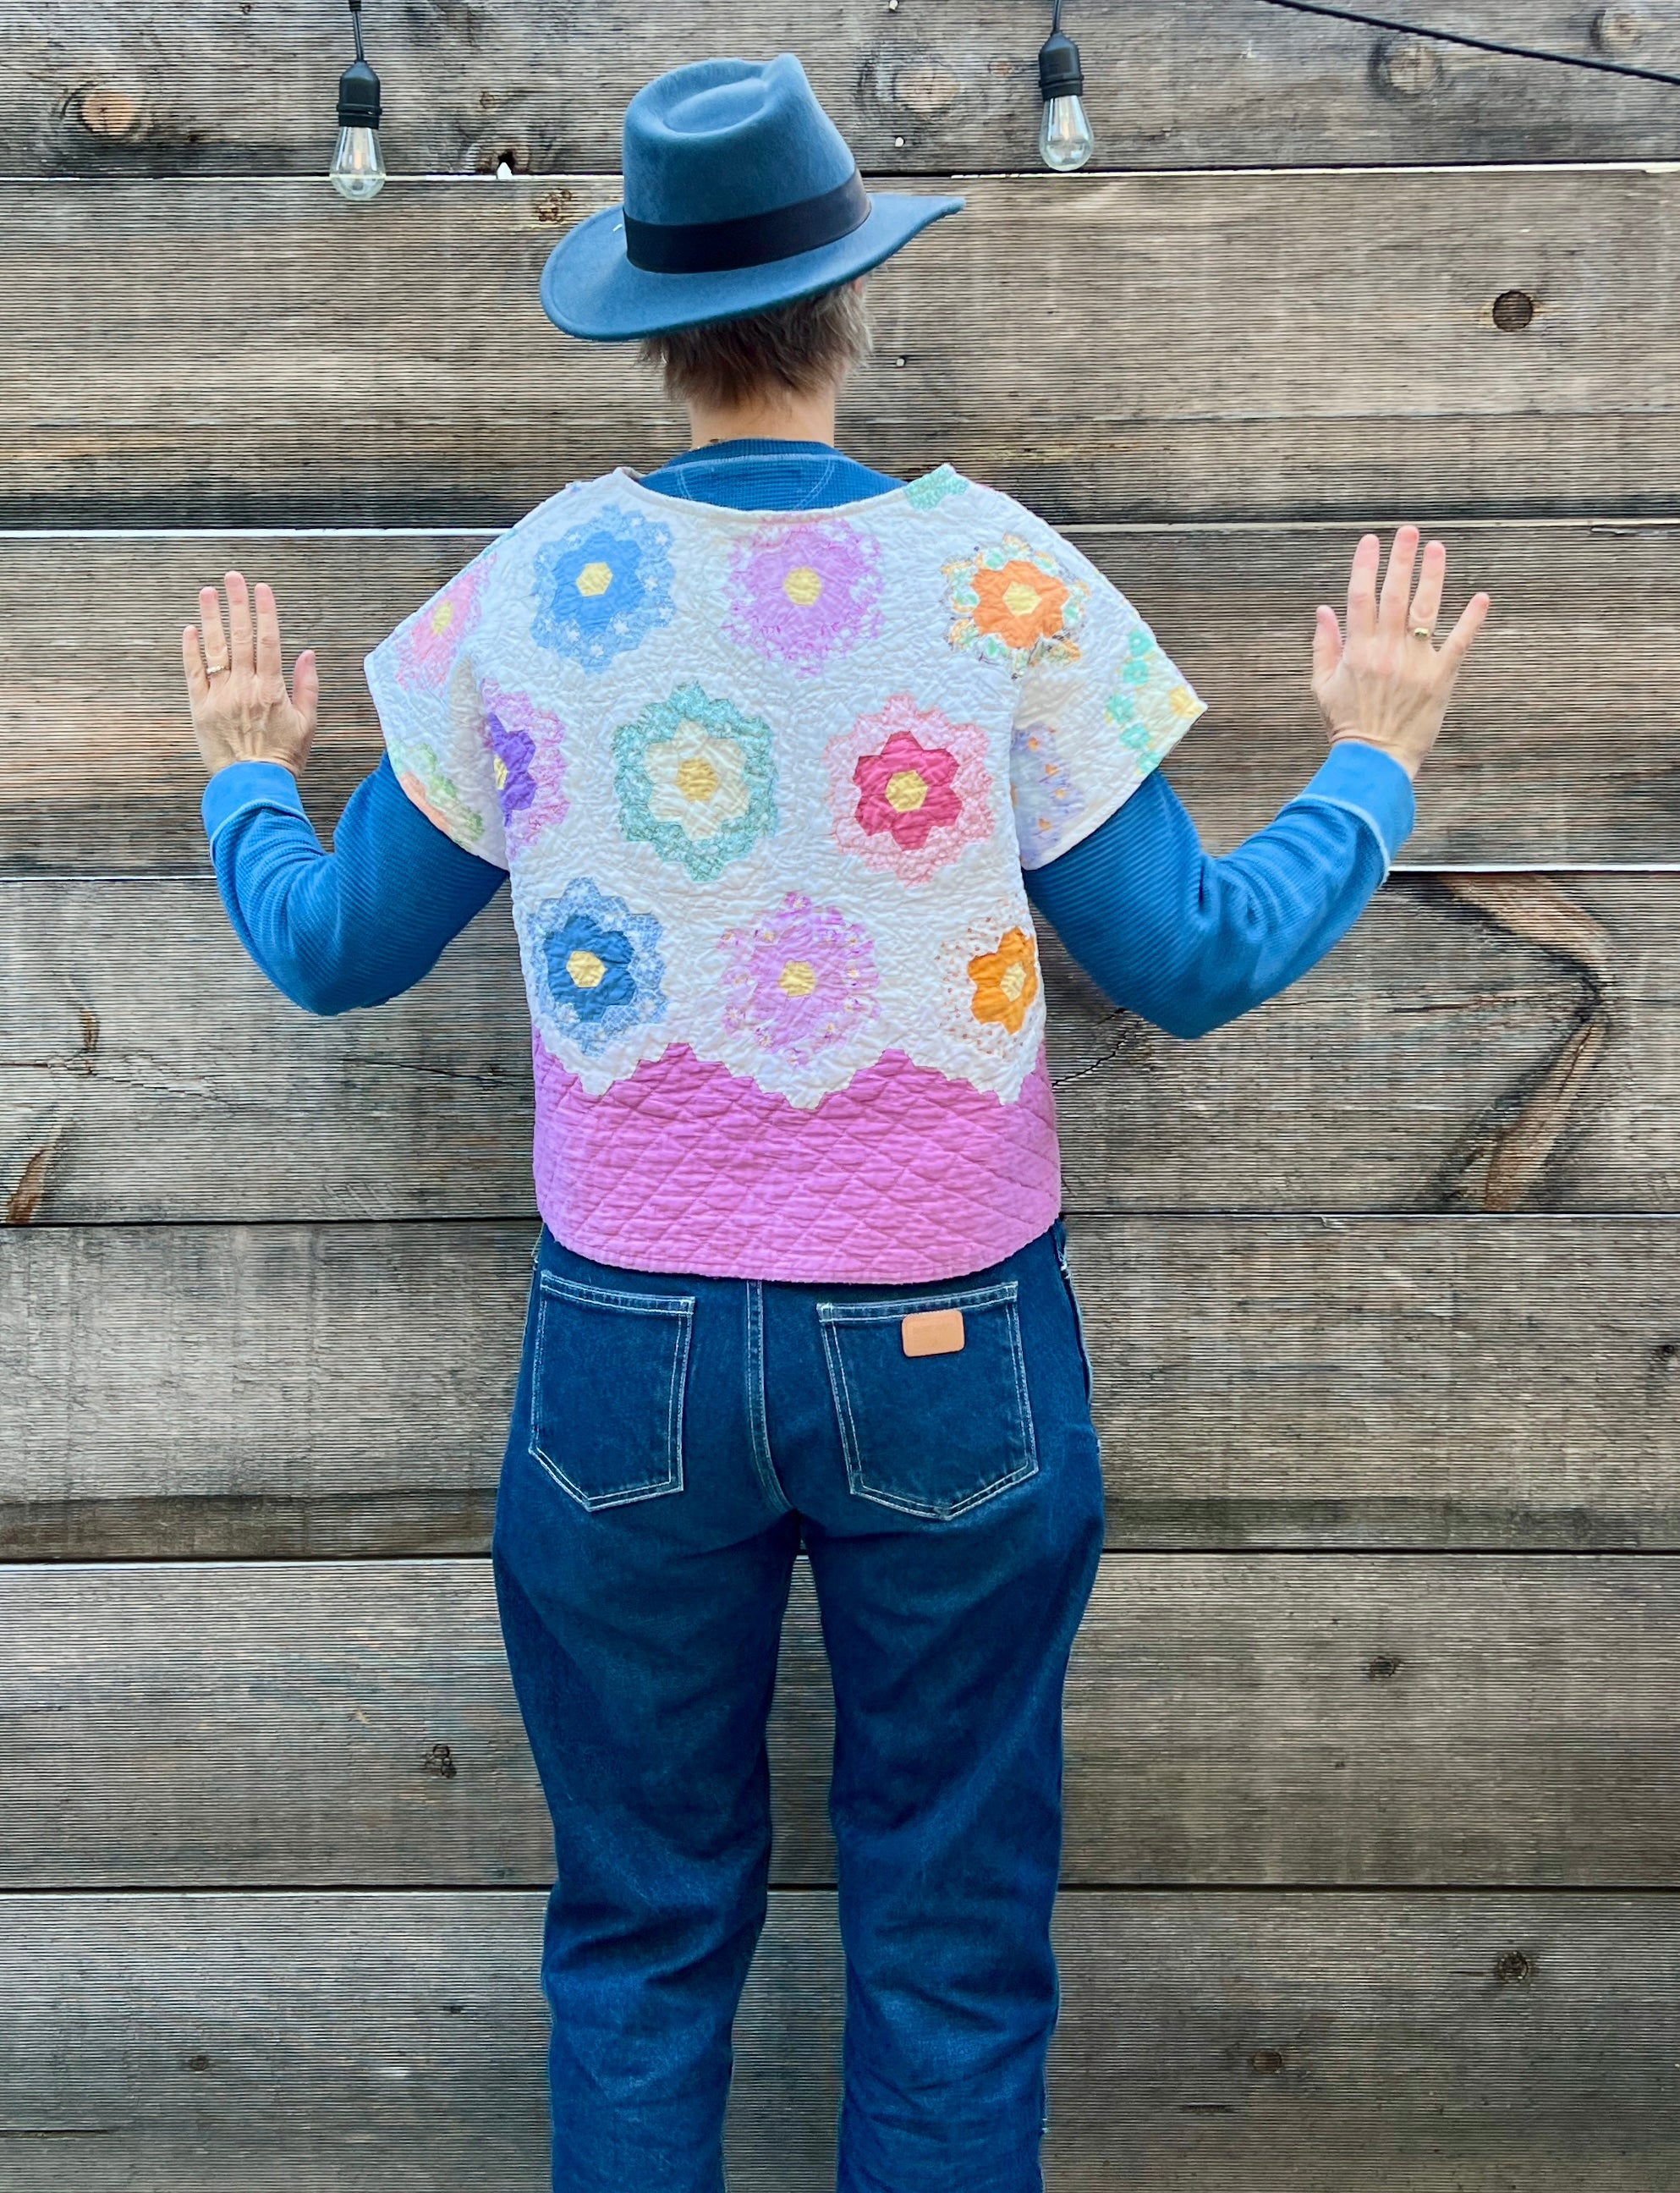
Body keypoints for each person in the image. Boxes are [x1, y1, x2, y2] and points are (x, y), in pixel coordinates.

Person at [179, 53, 1489, 2193]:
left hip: (625, 1358)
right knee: (953, 1946)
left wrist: (248, 764)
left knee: (640, 1928)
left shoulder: (536, 591)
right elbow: (1195, 956)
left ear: (651, 324)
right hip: (957, 1351)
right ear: (852, 307)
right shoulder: (997, 580)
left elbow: (332, 949)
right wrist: (1369, 763)